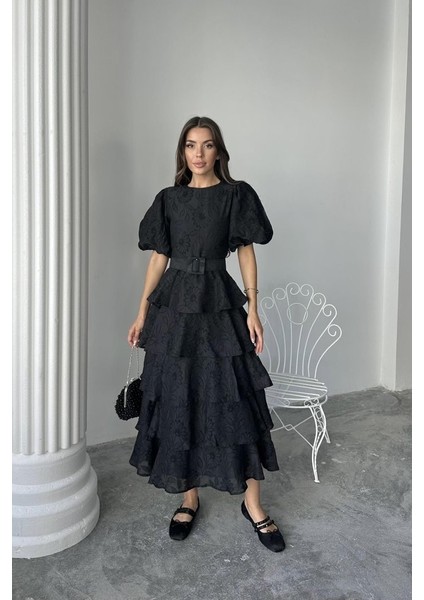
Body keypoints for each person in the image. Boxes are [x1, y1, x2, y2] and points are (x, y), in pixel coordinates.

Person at [127, 116, 285, 553]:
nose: (198, 153)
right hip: (175, 308)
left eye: (208, 144)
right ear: (182, 151)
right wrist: (142, 312)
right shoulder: (168, 199)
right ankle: (189, 496)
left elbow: (246, 252)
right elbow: (158, 259)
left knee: (236, 398)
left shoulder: (236, 195)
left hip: (219, 303)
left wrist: (254, 308)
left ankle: (253, 504)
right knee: (180, 396)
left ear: (219, 151)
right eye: (191, 145)